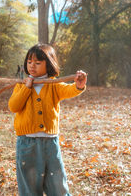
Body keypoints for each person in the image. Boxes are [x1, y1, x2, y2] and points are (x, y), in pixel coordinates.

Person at [8, 43, 87, 196]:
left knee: (57, 181)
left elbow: (68, 90)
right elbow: (14, 106)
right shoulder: (21, 85)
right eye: (29, 62)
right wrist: (27, 87)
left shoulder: (54, 84)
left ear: (48, 64)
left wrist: (78, 85)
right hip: (27, 143)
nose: (32, 66)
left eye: (38, 63)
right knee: (29, 184)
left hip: (50, 143)